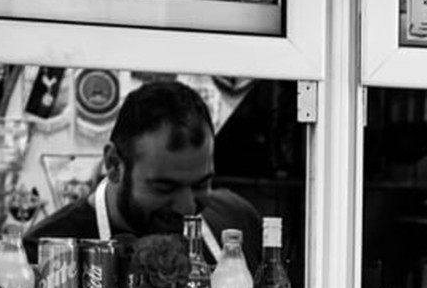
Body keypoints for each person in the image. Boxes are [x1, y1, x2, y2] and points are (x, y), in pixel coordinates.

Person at [24, 79, 262, 273]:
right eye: (164, 187)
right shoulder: (42, 255)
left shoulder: (237, 220)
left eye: (201, 184)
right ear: (114, 164)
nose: (187, 208)